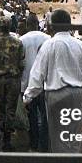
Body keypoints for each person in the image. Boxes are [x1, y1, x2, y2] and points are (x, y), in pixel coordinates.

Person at [23, 9, 82, 163]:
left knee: (59, 137)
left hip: (56, 94)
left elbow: (37, 74)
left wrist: (28, 96)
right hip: (78, 94)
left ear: (52, 25)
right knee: (74, 133)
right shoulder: (80, 45)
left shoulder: (49, 45)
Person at [0, 16, 25, 151]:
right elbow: (21, 64)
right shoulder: (18, 43)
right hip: (13, 81)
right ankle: (7, 141)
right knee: (10, 110)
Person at [20, 14, 51, 152]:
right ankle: (44, 146)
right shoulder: (48, 39)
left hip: (27, 84)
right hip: (45, 84)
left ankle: (33, 145)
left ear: (27, 25)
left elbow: (19, 63)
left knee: (31, 116)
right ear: (38, 24)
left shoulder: (21, 40)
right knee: (45, 117)